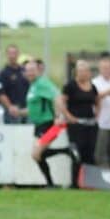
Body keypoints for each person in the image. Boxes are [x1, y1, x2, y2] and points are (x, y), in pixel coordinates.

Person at [25, 58, 71, 186]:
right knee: (39, 154)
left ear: (38, 70)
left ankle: (66, 152)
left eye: (32, 70)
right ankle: (65, 152)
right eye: (28, 71)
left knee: (36, 154)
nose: (30, 73)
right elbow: (35, 106)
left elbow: (57, 96)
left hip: (49, 124)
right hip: (39, 125)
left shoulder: (42, 84)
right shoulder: (33, 86)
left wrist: (58, 116)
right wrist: (20, 112)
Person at [56, 59, 100, 173]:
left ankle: (89, 180)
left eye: (85, 71)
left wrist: (97, 114)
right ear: (76, 72)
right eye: (80, 71)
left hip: (90, 124)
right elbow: (61, 102)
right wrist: (68, 116)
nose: (83, 73)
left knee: (89, 151)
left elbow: (97, 100)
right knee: (76, 152)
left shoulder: (93, 86)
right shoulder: (70, 86)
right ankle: (75, 181)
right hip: (76, 124)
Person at [0, 44, 29, 124]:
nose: (12, 56)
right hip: (12, 110)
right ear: (7, 55)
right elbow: (0, 92)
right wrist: (10, 107)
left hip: (26, 109)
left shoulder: (24, 71)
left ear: (18, 54)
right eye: (10, 53)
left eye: (14, 53)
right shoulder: (3, 73)